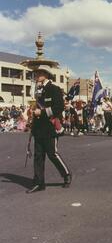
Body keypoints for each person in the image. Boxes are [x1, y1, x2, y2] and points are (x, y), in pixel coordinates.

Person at [27, 65, 72, 193]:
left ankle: (66, 174)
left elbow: (59, 108)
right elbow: (37, 107)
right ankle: (39, 182)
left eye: (39, 73)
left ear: (46, 74)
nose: (36, 75)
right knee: (38, 156)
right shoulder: (38, 90)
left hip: (50, 127)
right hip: (39, 127)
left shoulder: (54, 89)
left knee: (52, 154)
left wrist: (41, 112)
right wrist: (33, 115)